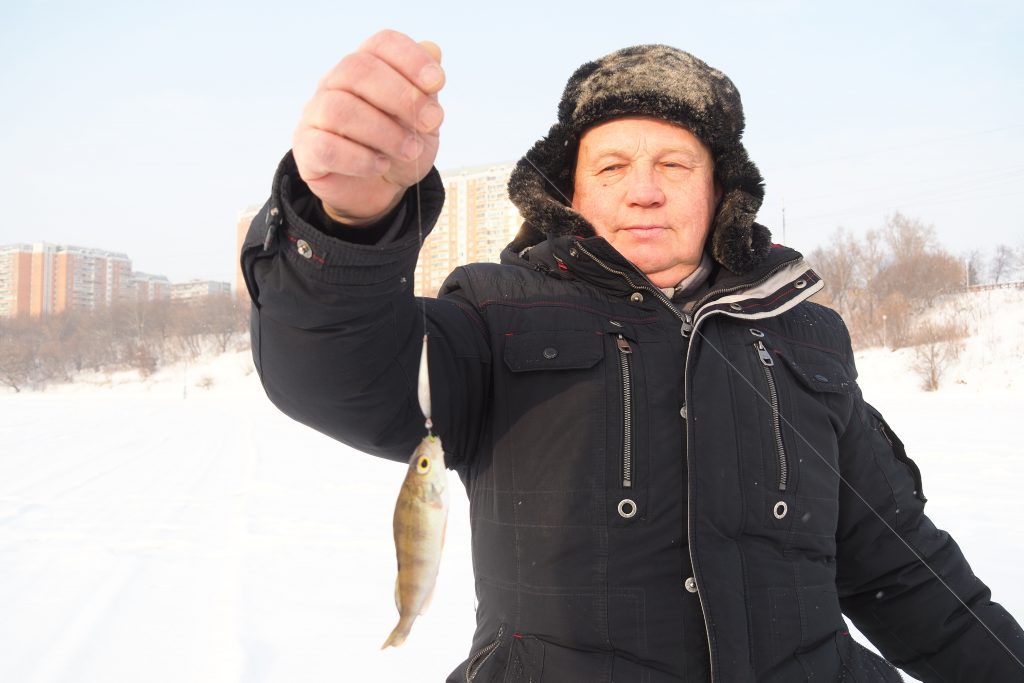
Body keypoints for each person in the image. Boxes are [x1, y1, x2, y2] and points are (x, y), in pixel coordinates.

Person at [240, 30, 1024, 682]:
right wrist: (341, 222)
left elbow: (905, 574)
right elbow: (343, 376)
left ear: (722, 193)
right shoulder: (492, 309)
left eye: (674, 166)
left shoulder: (805, 334)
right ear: (571, 195)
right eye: (611, 166)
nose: (642, 190)